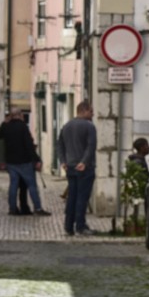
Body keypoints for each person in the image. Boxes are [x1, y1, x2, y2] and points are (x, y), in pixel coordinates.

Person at [0, 108, 49, 216]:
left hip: (11, 161)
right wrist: (36, 159)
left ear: (11, 115)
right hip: (25, 161)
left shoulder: (6, 126)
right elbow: (28, 144)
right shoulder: (23, 126)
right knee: (32, 185)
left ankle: (12, 208)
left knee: (13, 185)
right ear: (20, 115)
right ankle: (38, 208)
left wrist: (4, 122)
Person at [58, 100, 98, 236]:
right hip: (84, 168)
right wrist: (84, 162)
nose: (92, 114)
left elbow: (60, 145)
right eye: (91, 111)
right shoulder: (89, 126)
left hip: (70, 166)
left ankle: (68, 225)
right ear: (84, 110)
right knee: (82, 197)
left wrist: (63, 161)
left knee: (72, 197)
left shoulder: (67, 126)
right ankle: (80, 226)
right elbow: (91, 146)